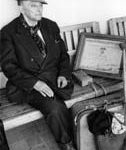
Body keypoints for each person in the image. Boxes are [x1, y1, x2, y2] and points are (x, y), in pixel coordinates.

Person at [0, 0, 75, 150]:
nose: (39, 9)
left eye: (41, 5)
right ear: (21, 6)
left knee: (63, 105)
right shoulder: (8, 33)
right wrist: (35, 83)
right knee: (55, 108)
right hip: (27, 86)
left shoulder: (50, 25)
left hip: (54, 79)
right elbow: (9, 67)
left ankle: (83, 133)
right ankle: (67, 145)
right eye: (33, 5)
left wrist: (63, 74)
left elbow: (63, 55)